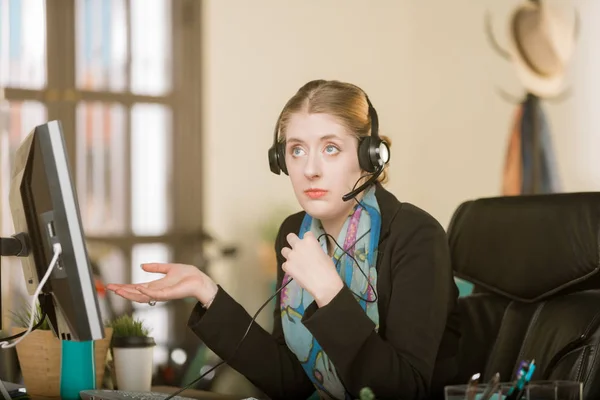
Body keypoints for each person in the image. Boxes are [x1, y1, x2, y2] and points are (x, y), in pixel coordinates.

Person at [107, 79, 460, 400]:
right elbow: (290, 381)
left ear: (370, 156)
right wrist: (208, 293)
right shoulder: (295, 233)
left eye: (331, 148)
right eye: (297, 150)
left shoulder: (415, 237)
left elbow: (405, 392)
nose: (310, 169)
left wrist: (330, 294)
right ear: (282, 160)